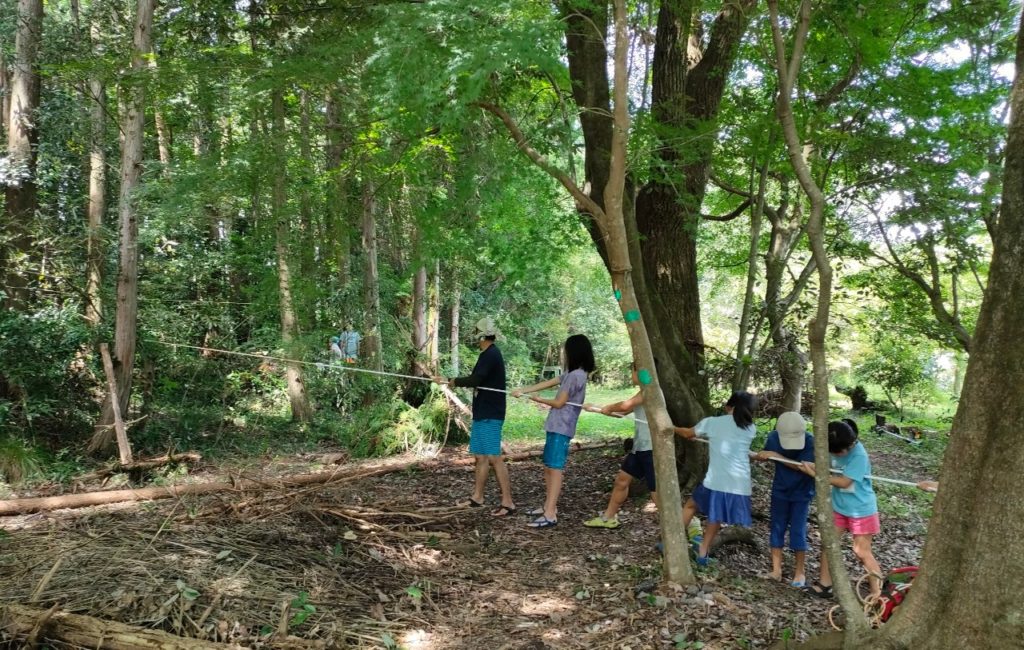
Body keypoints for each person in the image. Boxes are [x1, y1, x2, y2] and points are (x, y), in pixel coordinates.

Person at [432, 317, 515, 517]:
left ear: (481, 335)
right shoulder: (486, 354)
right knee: (480, 456)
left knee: (494, 457)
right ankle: (477, 497)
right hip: (482, 412)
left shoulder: (492, 354)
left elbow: (476, 379)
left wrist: (450, 381)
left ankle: (508, 502)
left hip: (490, 413)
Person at [512, 334, 595, 529]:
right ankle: (548, 507)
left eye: (567, 350)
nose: (565, 353)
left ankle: (550, 513)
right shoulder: (572, 373)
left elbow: (559, 403)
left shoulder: (576, 376)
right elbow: (551, 382)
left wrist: (537, 399)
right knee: (549, 466)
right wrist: (524, 390)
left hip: (562, 426)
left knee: (555, 468)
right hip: (556, 425)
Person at [800, 418, 883, 599]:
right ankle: (825, 584)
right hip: (839, 507)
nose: (839, 454)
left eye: (841, 451)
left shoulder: (859, 455)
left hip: (861, 509)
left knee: (862, 552)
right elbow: (825, 466)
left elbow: (845, 482)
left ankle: (878, 592)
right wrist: (814, 467)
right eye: (835, 452)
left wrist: (817, 475)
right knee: (828, 543)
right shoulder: (830, 446)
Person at [674, 391, 759, 566]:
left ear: (730, 407)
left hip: (717, 481)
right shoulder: (750, 428)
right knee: (716, 516)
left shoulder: (713, 423)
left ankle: (672, 542)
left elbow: (687, 433)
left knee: (690, 505)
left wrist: (671, 427)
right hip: (739, 485)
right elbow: (732, 442)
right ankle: (703, 554)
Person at [754, 411, 815, 587]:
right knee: (777, 526)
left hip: (802, 493)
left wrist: (777, 456)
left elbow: (802, 467)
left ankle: (799, 572)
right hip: (780, 490)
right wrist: (760, 456)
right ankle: (776, 570)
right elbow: (767, 455)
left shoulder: (810, 442)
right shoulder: (774, 438)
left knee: (798, 530)